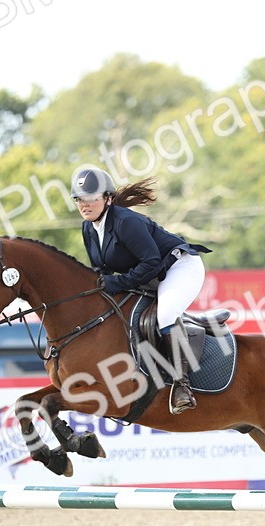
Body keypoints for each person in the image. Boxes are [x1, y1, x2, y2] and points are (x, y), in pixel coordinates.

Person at [71, 167, 211, 414]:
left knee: (165, 315)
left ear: (108, 198)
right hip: (149, 275)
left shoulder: (126, 222)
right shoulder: (88, 228)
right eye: (80, 199)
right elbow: (100, 270)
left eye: (91, 198)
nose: (85, 204)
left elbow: (152, 262)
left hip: (179, 267)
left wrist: (117, 283)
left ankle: (182, 386)